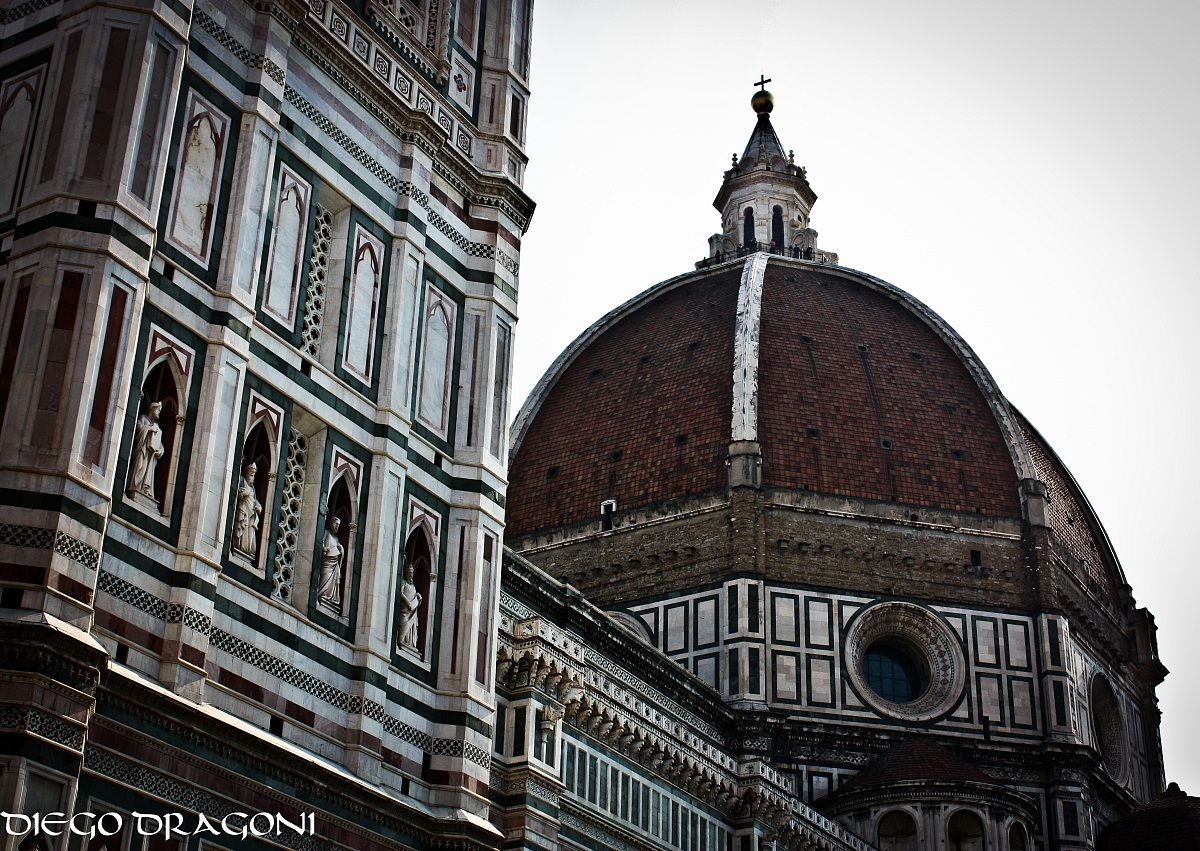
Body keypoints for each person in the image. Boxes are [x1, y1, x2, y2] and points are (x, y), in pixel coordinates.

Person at [127, 400, 165, 502]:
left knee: (148, 471)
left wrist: (160, 451)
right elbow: (139, 427)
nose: (159, 413)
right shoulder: (143, 418)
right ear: (152, 410)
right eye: (158, 410)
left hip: (151, 456)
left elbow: (160, 444)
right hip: (143, 450)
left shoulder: (157, 427)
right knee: (140, 466)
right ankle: (135, 486)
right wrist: (148, 429)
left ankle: (145, 489)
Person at [233, 462, 262, 558]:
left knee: (249, 532)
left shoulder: (252, 487)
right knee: (241, 526)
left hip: (251, 513)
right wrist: (242, 494)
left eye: (254, 474)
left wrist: (258, 506)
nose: (252, 475)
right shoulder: (242, 480)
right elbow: (238, 493)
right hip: (243, 509)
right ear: (247, 472)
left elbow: (254, 499)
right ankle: (239, 546)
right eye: (251, 473)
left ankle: (246, 549)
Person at [317, 516, 344, 609]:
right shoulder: (326, 533)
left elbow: (339, 549)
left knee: (334, 581)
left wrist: (341, 549)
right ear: (331, 523)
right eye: (336, 524)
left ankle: (329, 597)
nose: (337, 527)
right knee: (325, 577)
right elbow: (321, 543)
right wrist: (324, 548)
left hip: (335, 563)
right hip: (327, 562)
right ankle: (321, 594)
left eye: (338, 525)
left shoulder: (336, 538)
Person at [397, 563, 422, 651]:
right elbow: (400, 593)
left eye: (412, 573)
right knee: (403, 623)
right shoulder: (403, 582)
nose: (411, 575)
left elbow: (415, 597)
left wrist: (418, 597)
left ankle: (409, 643)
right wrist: (408, 603)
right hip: (405, 610)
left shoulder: (413, 586)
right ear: (407, 574)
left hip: (412, 612)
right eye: (409, 573)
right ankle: (401, 641)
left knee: (412, 626)